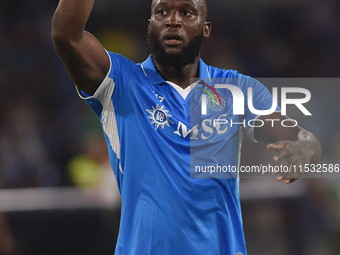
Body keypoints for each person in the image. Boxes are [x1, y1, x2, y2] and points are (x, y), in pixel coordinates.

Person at [51, 0, 322, 254]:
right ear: (149, 25)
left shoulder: (235, 88)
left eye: (186, 12)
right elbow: (67, 35)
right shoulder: (120, 82)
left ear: (205, 29)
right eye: (162, 12)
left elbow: (297, 135)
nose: (173, 21)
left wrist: (305, 148)